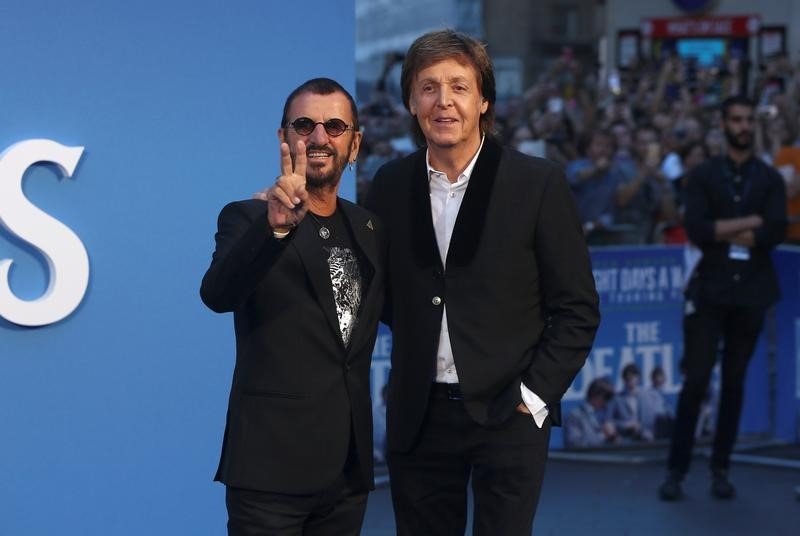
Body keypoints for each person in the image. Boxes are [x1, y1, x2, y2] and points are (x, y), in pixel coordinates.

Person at [366, 30, 600, 535]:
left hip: (508, 415)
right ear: (411, 100)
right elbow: (383, 297)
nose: (443, 101)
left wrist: (533, 397)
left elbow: (577, 307)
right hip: (418, 414)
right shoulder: (387, 184)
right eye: (428, 87)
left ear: (483, 100)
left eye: (459, 86)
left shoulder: (536, 183)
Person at [200, 78, 385, 535]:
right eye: (305, 125)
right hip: (270, 473)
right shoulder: (247, 217)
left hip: (347, 472)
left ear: (355, 143)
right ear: (284, 137)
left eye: (335, 126)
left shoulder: (369, 229)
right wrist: (275, 230)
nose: (319, 137)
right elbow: (218, 295)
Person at [658, 95, 787, 501]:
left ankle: (721, 468)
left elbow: (774, 233)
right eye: (736, 119)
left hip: (750, 292)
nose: (744, 126)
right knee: (695, 381)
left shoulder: (768, 178)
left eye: (749, 119)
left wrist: (726, 229)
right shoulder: (702, 176)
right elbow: (698, 229)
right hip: (709, 289)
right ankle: (676, 471)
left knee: (733, 384)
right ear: (723, 124)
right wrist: (749, 222)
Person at [564, 378, 619, 449]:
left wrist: (614, 437)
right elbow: (574, 444)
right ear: (595, 395)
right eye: (606, 397)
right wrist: (603, 436)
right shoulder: (575, 416)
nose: (607, 403)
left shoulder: (604, 416)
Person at [608, 363, 650, 441]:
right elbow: (609, 422)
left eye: (632, 378)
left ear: (638, 378)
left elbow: (651, 419)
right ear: (623, 380)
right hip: (625, 441)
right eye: (627, 379)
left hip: (646, 439)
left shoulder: (646, 397)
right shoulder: (616, 399)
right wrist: (626, 425)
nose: (630, 381)